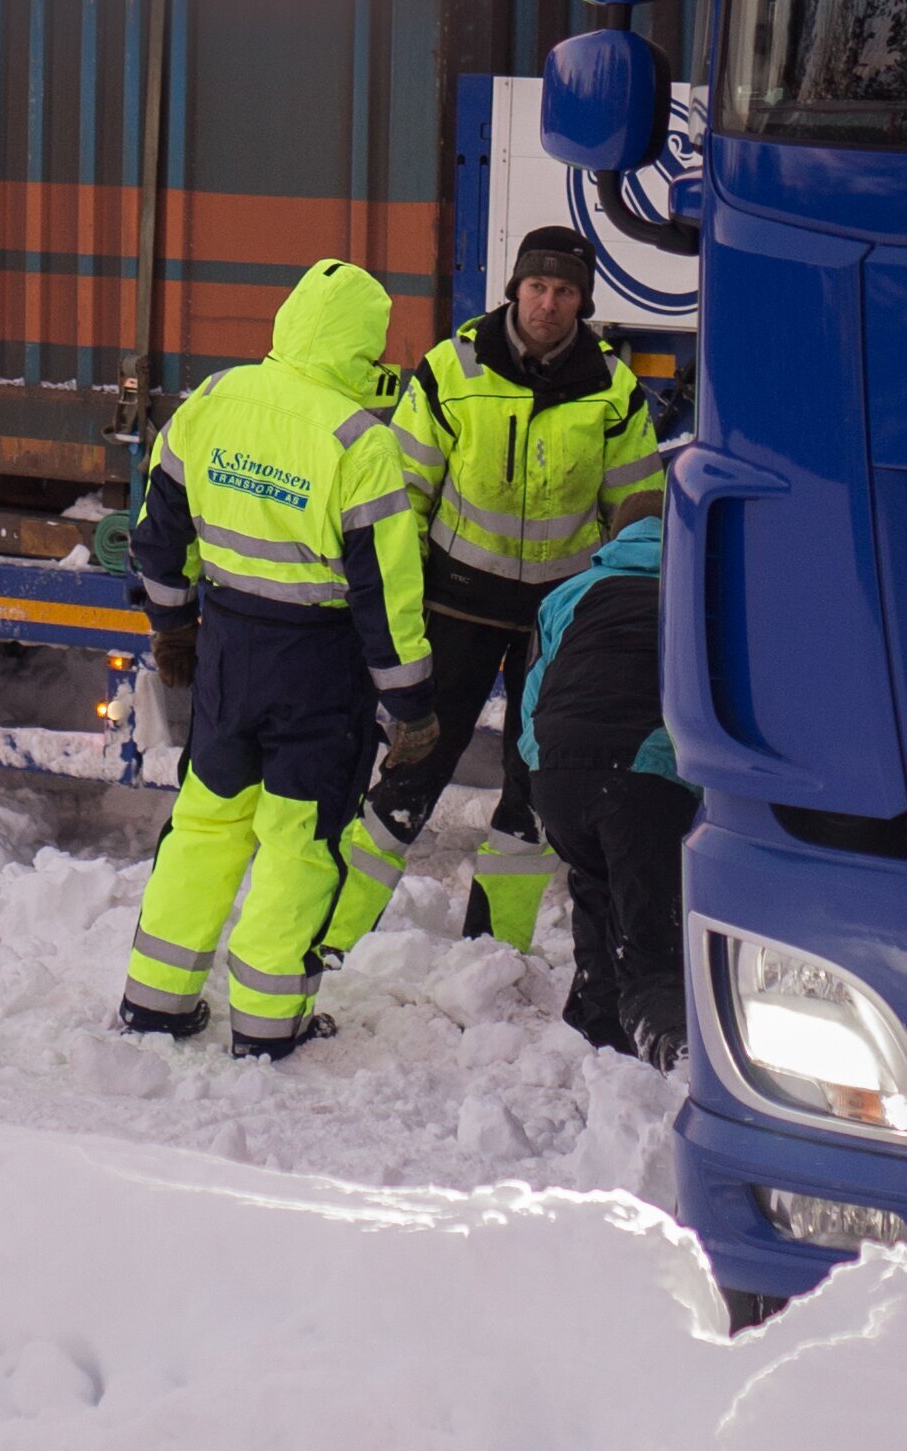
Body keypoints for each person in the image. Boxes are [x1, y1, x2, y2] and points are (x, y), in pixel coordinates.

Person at [114, 258, 436, 1060]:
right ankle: (266, 1023)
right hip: (318, 671)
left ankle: (156, 1001)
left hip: (227, 651)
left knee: (205, 822)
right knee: (299, 841)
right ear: (362, 344)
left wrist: (173, 626)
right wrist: (412, 706)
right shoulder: (358, 439)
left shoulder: (213, 402)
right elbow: (386, 595)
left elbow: (154, 539)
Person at [330, 226, 665, 957]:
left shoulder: (613, 391)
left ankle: (495, 952)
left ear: (583, 302)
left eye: (566, 291)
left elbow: (638, 518)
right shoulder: (450, 370)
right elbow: (404, 497)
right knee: (412, 771)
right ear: (514, 289)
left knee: (536, 788)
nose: (549, 303)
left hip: (557, 626)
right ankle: (336, 936)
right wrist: (402, 605)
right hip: (455, 610)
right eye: (538, 286)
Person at [519, 508, 690, 1063]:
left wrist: (540, 766)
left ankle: (597, 1029)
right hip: (643, 779)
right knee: (650, 934)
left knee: (596, 884)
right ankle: (667, 1051)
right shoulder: (699, 591)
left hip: (557, 776)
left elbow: (532, 697)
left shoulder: (568, 594)